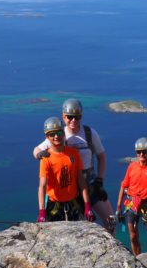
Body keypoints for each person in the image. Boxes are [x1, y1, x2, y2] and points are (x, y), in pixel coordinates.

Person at [33, 99, 115, 233]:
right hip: (68, 186)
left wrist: (100, 181)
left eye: (77, 117)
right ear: (63, 116)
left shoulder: (89, 133)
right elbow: (37, 149)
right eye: (69, 117)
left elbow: (101, 157)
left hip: (89, 182)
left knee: (110, 220)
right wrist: (40, 155)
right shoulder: (58, 133)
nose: (73, 121)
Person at [38, 117, 92, 222]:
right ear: (47, 137)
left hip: (75, 204)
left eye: (58, 132)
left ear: (63, 133)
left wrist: (87, 205)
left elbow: (81, 180)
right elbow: (42, 186)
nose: (56, 136)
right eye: (52, 134)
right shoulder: (46, 158)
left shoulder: (74, 153)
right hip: (54, 206)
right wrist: (42, 212)